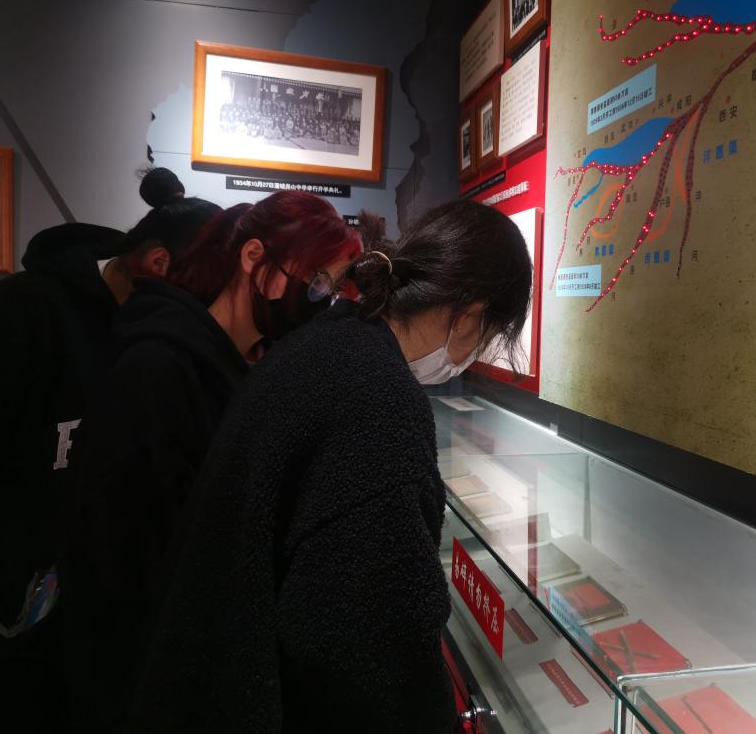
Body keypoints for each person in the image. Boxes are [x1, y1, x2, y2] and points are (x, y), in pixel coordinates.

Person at [128, 200, 532, 734]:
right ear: (470, 314)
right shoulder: (378, 399)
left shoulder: (330, 342)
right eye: (488, 333)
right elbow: (368, 652)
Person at [0, 168, 218, 733]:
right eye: (205, 291)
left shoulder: (156, 348)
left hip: (75, 648)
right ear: (158, 263)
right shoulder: (22, 314)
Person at [64, 191, 361, 734]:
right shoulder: (160, 367)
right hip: (146, 677)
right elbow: (124, 554)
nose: (320, 298)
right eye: (316, 278)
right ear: (253, 258)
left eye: (332, 286)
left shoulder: (240, 367)